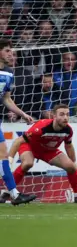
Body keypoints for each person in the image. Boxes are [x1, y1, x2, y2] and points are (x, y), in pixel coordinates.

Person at [5, 104, 77, 203]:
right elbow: (18, 141)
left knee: (71, 167)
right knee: (27, 163)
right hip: (29, 146)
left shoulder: (68, 130)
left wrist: (75, 164)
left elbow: (68, 146)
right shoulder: (41, 127)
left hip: (48, 151)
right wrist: (9, 161)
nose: (65, 117)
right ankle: (7, 192)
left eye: (67, 114)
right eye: (62, 114)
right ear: (54, 116)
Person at [0, 39, 36, 205]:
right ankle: (13, 194)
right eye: (7, 51)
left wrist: (23, 114)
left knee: (3, 155)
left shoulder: (8, 72)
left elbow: (6, 99)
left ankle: (13, 194)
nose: (11, 54)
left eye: (11, 52)